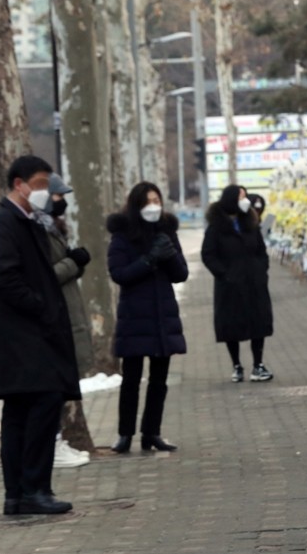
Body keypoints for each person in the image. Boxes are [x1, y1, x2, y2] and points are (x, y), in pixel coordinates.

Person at [0, 155, 81, 515]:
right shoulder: (2, 223)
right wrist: (41, 306)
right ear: (18, 184)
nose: (43, 191)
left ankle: (20, 494)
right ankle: (31, 489)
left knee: (24, 413)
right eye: (37, 184)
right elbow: (5, 279)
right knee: (38, 407)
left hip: (29, 338)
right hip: (20, 339)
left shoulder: (29, 222)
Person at [107, 182, 188, 453]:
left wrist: (169, 254)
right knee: (131, 379)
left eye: (157, 200)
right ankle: (125, 434)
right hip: (134, 317)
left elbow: (181, 274)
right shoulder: (122, 236)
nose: (154, 206)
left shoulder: (166, 232)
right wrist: (149, 259)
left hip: (162, 316)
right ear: (136, 205)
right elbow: (119, 274)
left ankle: (151, 432)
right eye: (148, 202)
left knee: (159, 380)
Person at [34, 173, 93, 469]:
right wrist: (74, 262)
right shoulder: (39, 230)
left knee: (60, 387)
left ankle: (57, 442)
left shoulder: (53, 227)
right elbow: (47, 275)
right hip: (54, 317)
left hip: (65, 312)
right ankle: (52, 446)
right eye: (58, 196)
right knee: (52, 389)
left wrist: (74, 262)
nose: (62, 202)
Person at [202, 185, 274, 382]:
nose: (246, 201)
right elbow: (208, 254)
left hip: (254, 282)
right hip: (230, 285)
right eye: (241, 197)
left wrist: (261, 270)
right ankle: (236, 364)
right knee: (231, 324)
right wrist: (224, 274)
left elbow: (260, 250)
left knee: (258, 322)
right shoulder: (217, 227)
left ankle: (258, 364)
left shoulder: (250, 223)